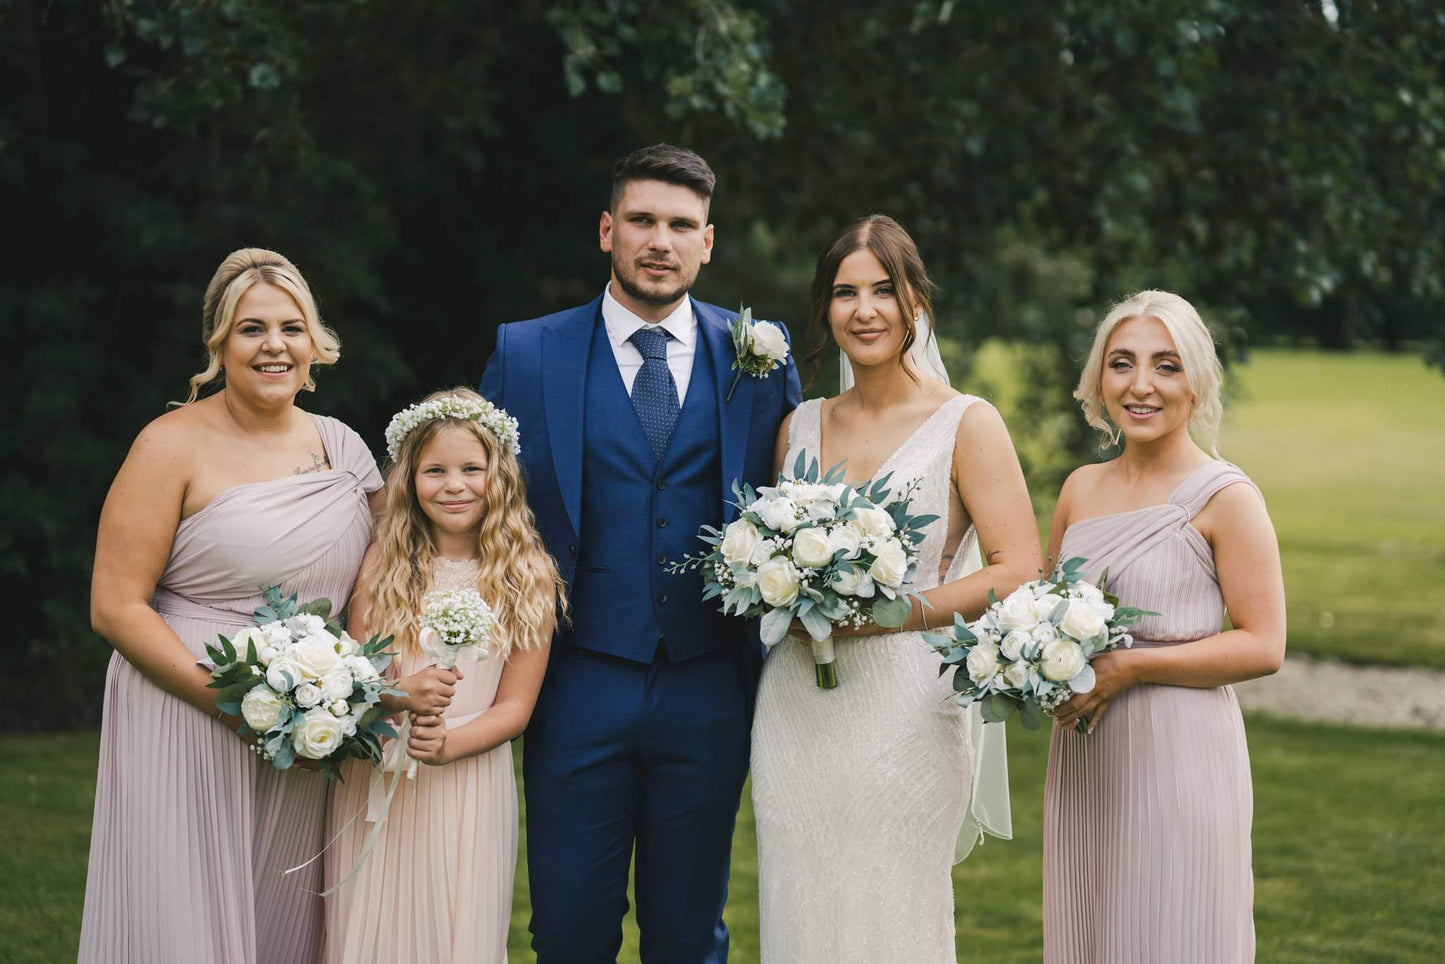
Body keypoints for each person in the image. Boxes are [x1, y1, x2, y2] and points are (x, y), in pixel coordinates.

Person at [480, 143, 801, 962]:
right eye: (642, 220)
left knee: (688, 935)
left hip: (709, 683)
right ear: (606, 230)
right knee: (567, 932)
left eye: (681, 225)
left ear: (707, 242)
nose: (660, 241)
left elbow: (796, 503)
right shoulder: (526, 353)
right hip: (572, 678)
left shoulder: (760, 358)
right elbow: (471, 506)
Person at [80, 248, 383, 964]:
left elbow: (386, 575)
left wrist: (346, 694)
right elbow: (115, 606)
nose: (274, 345)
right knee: (182, 924)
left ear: (314, 344)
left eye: (290, 327)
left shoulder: (343, 448)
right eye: (252, 329)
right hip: (184, 706)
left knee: (280, 920)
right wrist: (235, 702)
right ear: (219, 343)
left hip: (307, 718)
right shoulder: (167, 446)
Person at [750, 215, 1038, 962]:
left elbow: (1016, 567)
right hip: (795, 705)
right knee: (800, 901)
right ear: (825, 308)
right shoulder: (798, 425)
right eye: (845, 293)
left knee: (893, 904)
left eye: (883, 289)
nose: (864, 310)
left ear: (916, 302)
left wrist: (896, 613)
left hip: (907, 703)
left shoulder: (966, 423)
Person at [1043, 290, 1286, 963]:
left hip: (1182, 753)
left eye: (1166, 366)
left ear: (1196, 382)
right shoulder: (1079, 489)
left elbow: (1264, 644)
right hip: (1088, 757)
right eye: (1121, 363)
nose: (1140, 384)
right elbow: (1045, 610)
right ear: (1099, 379)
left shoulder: (1226, 498)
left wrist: (1132, 666)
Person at [324, 387, 562, 963]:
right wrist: (397, 694)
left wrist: (451, 742)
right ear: (409, 480)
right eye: (435, 470)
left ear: (499, 476)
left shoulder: (526, 573)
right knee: (377, 925)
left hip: (467, 776)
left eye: (471, 469)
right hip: (380, 761)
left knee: (455, 925)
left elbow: (515, 708)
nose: (454, 485)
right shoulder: (383, 562)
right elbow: (355, 675)